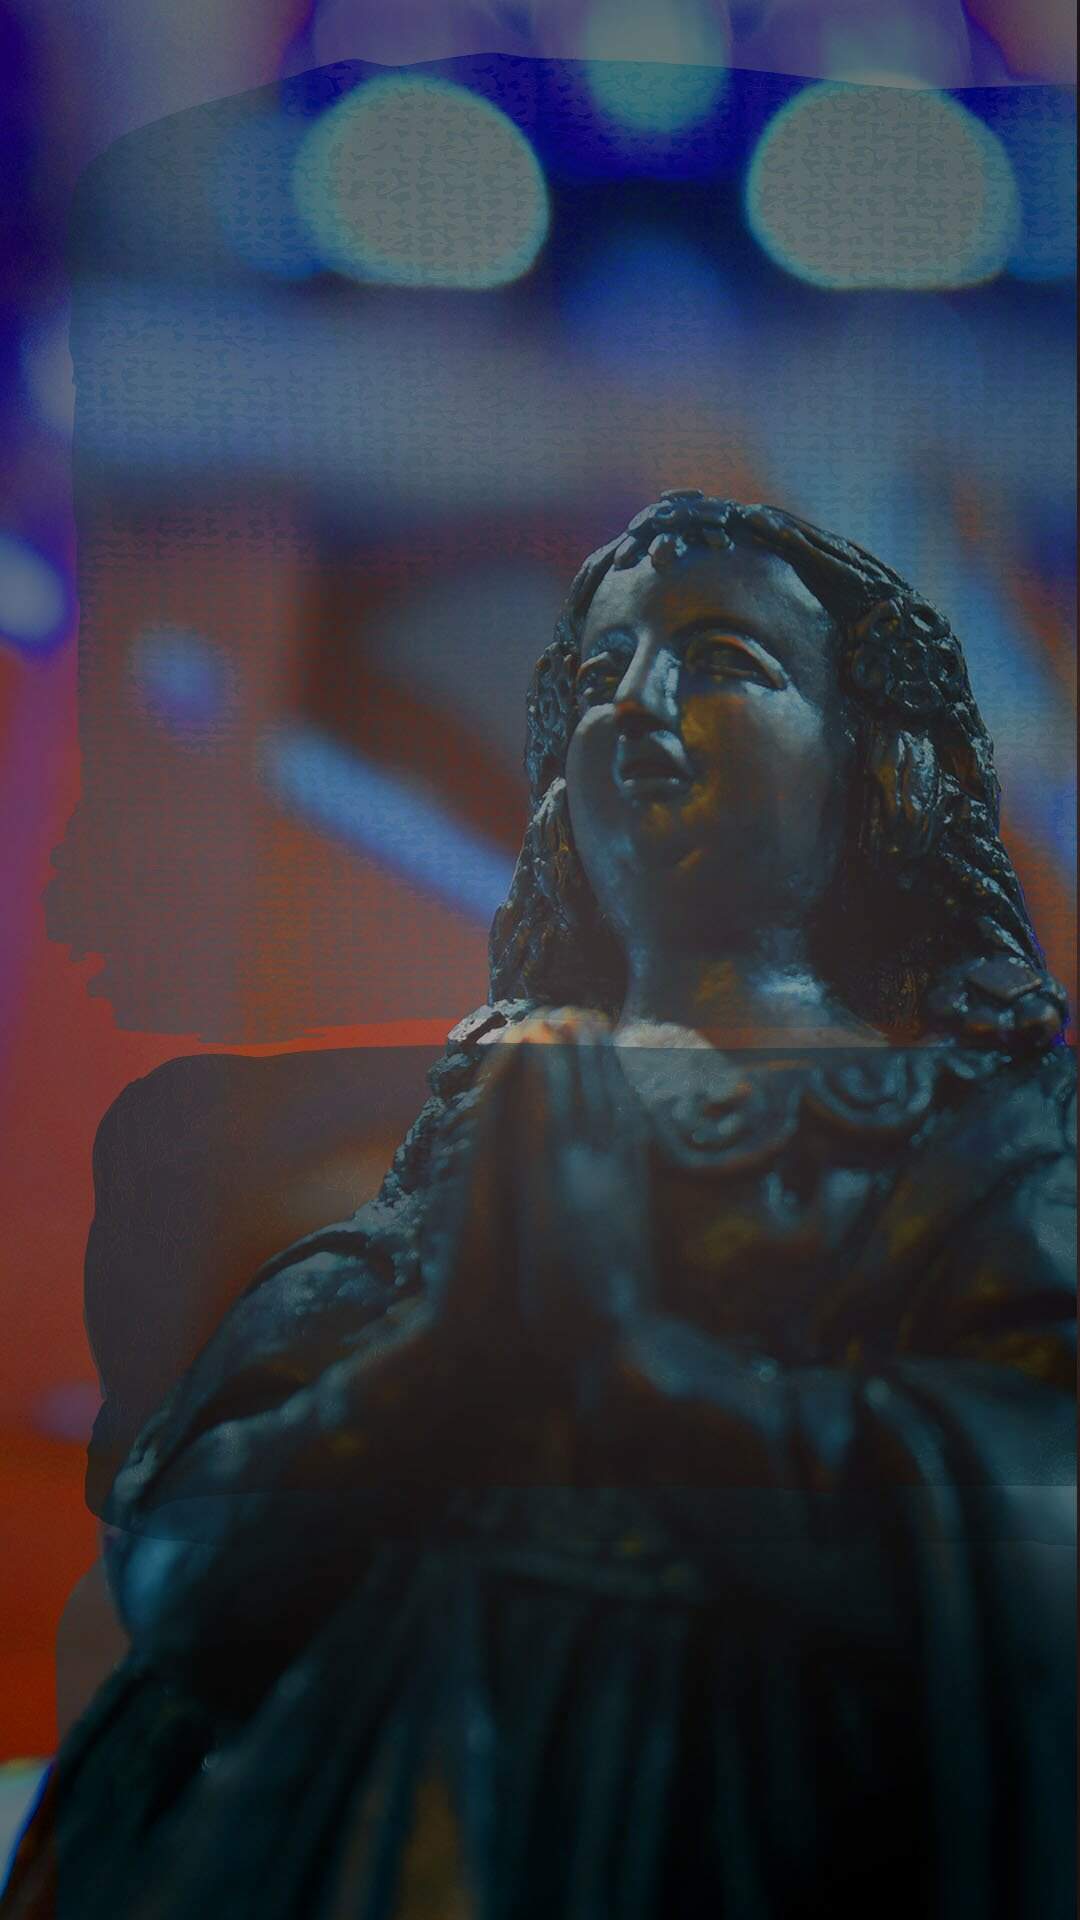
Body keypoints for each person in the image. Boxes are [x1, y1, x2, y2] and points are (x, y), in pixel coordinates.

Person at [5, 494, 1074, 1919]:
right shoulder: (465, 1144)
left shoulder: (985, 1139)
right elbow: (184, 1573)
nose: (635, 704)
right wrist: (437, 1368)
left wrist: (649, 1380)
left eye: (723, 662)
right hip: (376, 1815)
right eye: (602, 671)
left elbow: (1042, 1500)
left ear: (875, 768)